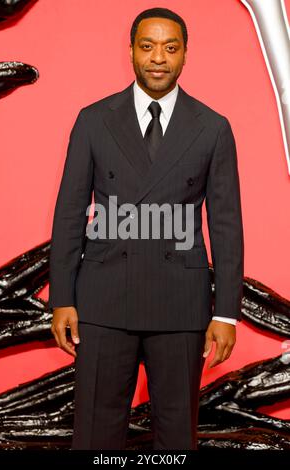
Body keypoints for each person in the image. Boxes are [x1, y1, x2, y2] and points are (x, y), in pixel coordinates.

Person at [48, 7, 244, 450]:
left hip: (180, 304)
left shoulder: (212, 128)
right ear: (132, 51)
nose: (159, 58)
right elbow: (69, 213)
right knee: (96, 433)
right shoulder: (94, 119)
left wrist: (225, 311)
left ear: (185, 55)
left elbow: (227, 224)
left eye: (170, 48)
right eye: (148, 46)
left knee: (177, 436)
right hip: (103, 301)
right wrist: (62, 298)